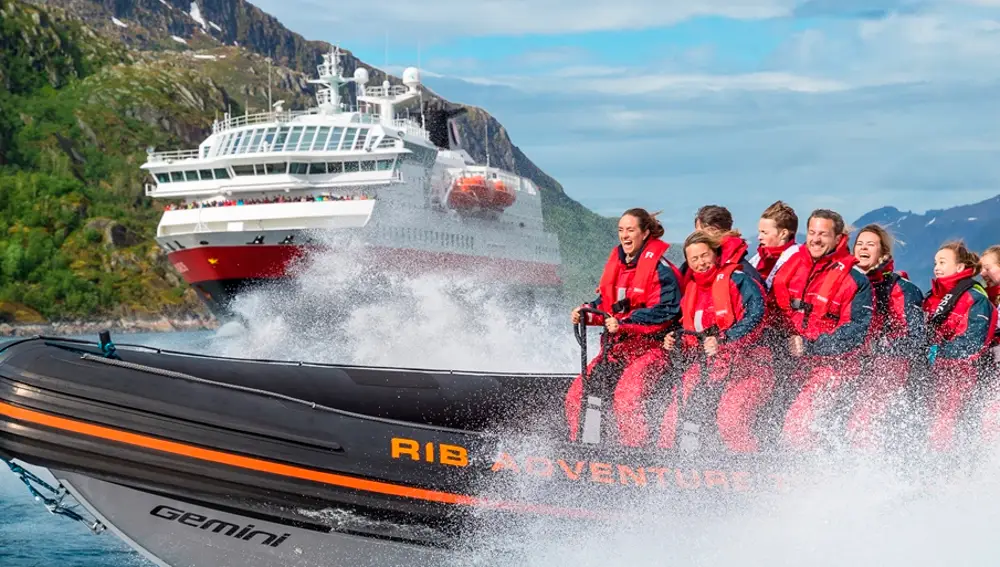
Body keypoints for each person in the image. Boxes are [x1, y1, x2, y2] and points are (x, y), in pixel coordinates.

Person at [565, 208, 683, 446]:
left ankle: (636, 455)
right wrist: (586, 313)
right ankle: (584, 450)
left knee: (627, 398)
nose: (625, 235)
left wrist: (624, 324)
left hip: (651, 351)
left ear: (645, 233)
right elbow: (606, 304)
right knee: (576, 396)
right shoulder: (619, 267)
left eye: (630, 230)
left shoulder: (661, 271)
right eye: (621, 230)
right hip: (617, 350)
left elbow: (665, 312)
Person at [768, 209, 874, 450]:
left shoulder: (855, 280)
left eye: (823, 234)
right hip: (788, 362)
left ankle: (813, 480)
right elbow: (772, 312)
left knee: (798, 427)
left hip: (831, 366)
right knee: (767, 421)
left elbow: (856, 330)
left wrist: (812, 346)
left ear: (838, 239)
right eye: (812, 232)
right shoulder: (790, 267)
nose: (815, 239)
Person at [655, 230, 770, 453]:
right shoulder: (691, 292)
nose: (701, 263)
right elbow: (690, 334)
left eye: (704, 256)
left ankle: (750, 473)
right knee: (672, 421)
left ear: (716, 255)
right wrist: (675, 340)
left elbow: (757, 315)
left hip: (748, 367)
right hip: (708, 368)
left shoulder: (739, 280)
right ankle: (670, 468)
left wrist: (726, 340)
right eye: (694, 259)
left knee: (731, 419)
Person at [843, 225, 925, 451]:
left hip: (891, 366)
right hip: (856, 365)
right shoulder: (848, 284)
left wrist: (881, 346)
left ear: (884, 253)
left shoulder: (901, 288)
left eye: (870, 244)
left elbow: (915, 337)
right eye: (859, 244)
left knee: (862, 423)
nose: (863, 248)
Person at [922, 241, 996, 452]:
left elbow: (973, 342)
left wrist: (939, 353)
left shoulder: (974, 297)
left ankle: (948, 468)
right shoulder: (932, 298)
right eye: (935, 262)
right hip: (933, 375)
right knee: (929, 422)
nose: (937, 266)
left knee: (946, 426)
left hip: (962, 376)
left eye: (943, 262)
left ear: (960, 268)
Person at [691, 205, 763, 287]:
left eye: (700, 234)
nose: (696, 239)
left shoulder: (742, 273)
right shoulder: (693, 266)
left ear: (715, 231)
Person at [749, 201, 800, 288]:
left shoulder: (799, 261)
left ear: (783, 234)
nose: (759, 237)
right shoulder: (757, 259)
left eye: (765, 233)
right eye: (760, 232)